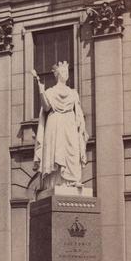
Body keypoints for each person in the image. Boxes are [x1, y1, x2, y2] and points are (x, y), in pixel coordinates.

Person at [32, 61, 89, 190]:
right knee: (55, 151)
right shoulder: (50, 91)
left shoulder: (73, 93)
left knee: (72, 150)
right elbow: (46, 107)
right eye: (63, 72)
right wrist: (41, 91)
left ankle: (72, 180)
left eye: (67, 72)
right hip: (55, 121)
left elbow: (78, 113)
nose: (66, 74)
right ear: (57, 75)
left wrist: (81, 129)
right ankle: (55, 182)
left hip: (69, 123)